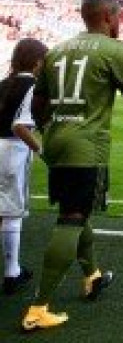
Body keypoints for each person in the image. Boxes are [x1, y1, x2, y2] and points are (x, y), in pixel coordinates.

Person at [22, 0, 123, 333]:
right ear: (106, 17)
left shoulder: (56, 50)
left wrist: (51, 131)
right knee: (71, 219)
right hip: (86, 146)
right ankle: (39, 307)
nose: (122, 24)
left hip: (57, 141)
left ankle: (92, 276)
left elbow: (39, 104)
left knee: (74, 211)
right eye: (120, 18)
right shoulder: (116, 50)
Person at [1, 39, 46, 296]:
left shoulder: (3, 83)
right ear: (38, 62)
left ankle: (12, 269)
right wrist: (41, 150)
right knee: (12, 211)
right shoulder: (34, 86)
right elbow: (20, 126)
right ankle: (12, 272)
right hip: (12, 150)